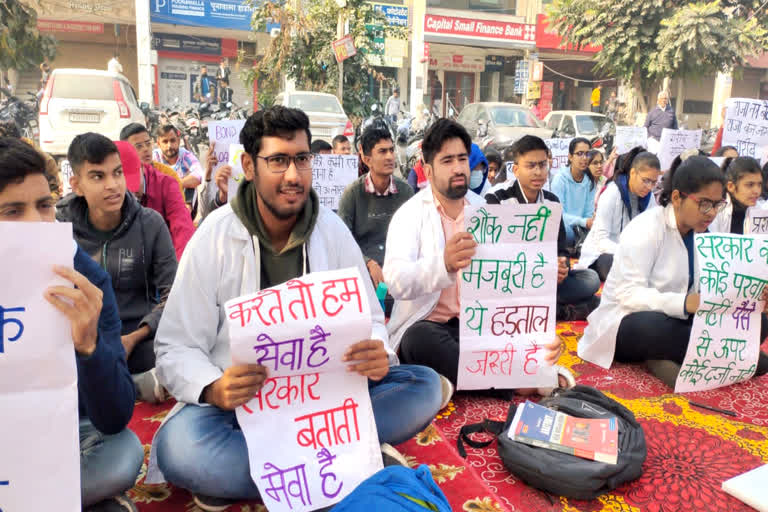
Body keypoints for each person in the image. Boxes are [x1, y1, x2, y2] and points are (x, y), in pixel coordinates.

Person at [149, 106, 442, 511]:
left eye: (302, 159)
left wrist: (377, 349)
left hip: (324, 407)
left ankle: (256, 475)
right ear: (249, 166)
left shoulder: (332, 230)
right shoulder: (213, 239)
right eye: (279, 161)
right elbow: (175, 347)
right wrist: (214, 388)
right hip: (238, 412)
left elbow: (371, 321)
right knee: (179, 449)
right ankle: (351, 464)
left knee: (423, 387)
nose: (293, 175)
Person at [0, 136, 142, 511]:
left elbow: (114, 418)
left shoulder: (83, 278)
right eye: (13, 212)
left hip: (64, 435)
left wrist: (90, 347)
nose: (37, 223)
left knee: (123, 453)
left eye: (44, 206)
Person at [384, 122, 568, 388]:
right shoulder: (409, 215)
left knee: (538, 342)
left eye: (462, 158)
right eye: (447, 160)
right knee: (419, 341)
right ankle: (515, 382)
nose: (459, 168)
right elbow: (396, 282)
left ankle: (466, 379)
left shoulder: (486, 210)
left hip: (483, 325)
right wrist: (443, 264)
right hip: (432, 325)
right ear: (428, 170)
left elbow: (511, 280)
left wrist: (543, 281)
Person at [578, 156, 768, 386]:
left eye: (718, 205)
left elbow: (715, 289)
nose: (711, 213)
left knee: (760, 322)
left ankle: (684, 355)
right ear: (677, 197)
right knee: (653, 327)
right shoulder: (646, 228)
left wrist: (750, 297)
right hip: (629, 322)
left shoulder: (707, 232)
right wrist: (685, 303)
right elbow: (628, 296)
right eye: (705, 203)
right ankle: (725, 354)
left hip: (681, 321)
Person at [56, 134, 178, 402]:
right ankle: (134, 388)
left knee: (178, 357)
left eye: (117, 173)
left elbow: (174, 295)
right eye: (98, 177)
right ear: (76, 184)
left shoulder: (151, 224)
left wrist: (135, 337)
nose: (113, 185)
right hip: (80, 339)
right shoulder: (58, 229)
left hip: (138, 341)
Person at [486, 135, 601, 321]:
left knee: (591, 279)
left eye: (542, 165)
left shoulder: (551, 201)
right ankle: (559, 311)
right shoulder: (497, 199)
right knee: (494, 291)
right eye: (531, 166)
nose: (538, 172)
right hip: (513, 280)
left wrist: (561, 265)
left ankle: (541, 306)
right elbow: (496, 255)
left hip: (547, 279)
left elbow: (561, 247)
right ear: (515, 169)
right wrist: (538, 270)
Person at [338, 126, 414, 316]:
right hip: (362, 274)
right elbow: (342, 242)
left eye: (391, 150)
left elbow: (415, 238)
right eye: (382, 151)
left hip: (399, 272)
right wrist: (368, 263)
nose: (390, 156)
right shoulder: (352, 194)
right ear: (367, 159)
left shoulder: (406, 192)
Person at [575, 148, 661, 281]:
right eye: (645, 180)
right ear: (633, 173)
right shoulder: (612, 193)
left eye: (653, 182)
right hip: (603, 254)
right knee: (615, 265)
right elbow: (600, 241)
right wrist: (629, 252)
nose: (649, 187)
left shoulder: (649, 198)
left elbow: (654, 232)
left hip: (634, 256)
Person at [120, 123, 194, 260]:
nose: (146, 150)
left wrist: (181, 266)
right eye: (139, 146)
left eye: (147, 144)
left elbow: (182, 227)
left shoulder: (167, 180)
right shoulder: (115, 180)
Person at [551, 137, 597, 246]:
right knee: (566, 232)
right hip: (564, 226)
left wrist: (588, 223)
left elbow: (588, 212)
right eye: (580, 153)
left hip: (582, 227)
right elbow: (558, 215)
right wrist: (583, 222)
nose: (584, 158)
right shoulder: (560, 179)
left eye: (587, 154)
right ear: (570, 157)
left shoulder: (590, 181)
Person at [709, 157, 764, 234]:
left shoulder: (761, 211)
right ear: (731, 186)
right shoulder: (716, 211)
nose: (757, 191)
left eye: (759, 184)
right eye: (750, 185)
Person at [153, 124, 203, 205]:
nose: (169, 146)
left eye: (173, 140)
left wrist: (176, 184)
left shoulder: (185, 155)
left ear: (179, 141)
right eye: (165, 142)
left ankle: (186, 215)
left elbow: (199, 175)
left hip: (181, 200)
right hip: (161, 200)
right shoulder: (155, 157)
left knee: (191, 187)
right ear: (158, 144)